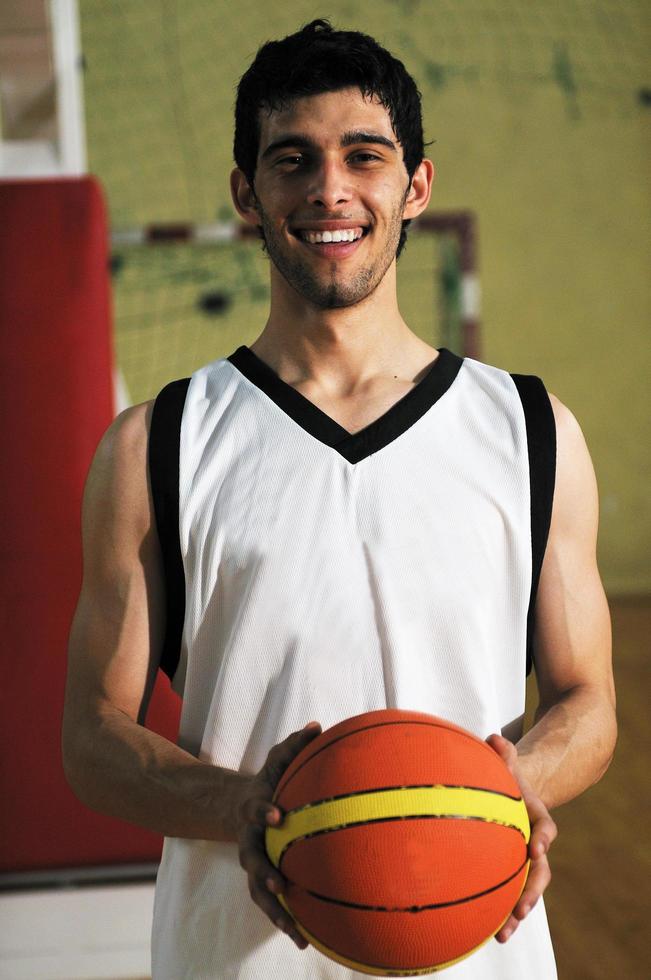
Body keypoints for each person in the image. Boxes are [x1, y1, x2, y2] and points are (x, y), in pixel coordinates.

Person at [62, 19, 617, 980]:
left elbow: (588, 702)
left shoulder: (529, 431)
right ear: (246, 193)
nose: (330, 190)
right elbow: (92, 739)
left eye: (364, 157)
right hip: (235, 956)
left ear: (415, 188)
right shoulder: (158, 443)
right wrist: (245, 807)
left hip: (478, 952)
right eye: (292, 160)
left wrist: (499, 790)